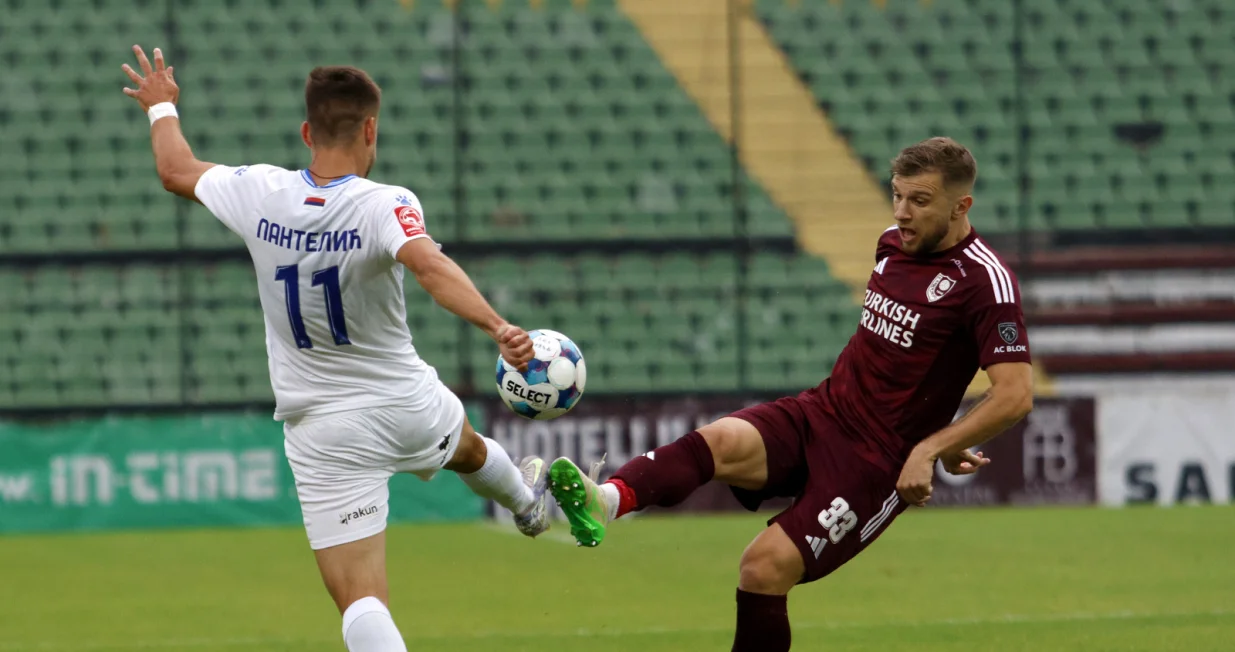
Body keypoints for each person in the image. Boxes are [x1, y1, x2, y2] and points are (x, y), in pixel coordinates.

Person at [121, 46, 549, 652]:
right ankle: (527, 505)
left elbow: (175, 169)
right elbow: (429, 265)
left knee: (362, 598)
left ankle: (524, 502)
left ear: (305, 132)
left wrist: (160, 103)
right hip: (406, 402)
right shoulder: (385, 203)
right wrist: (496, 326)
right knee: (468, 446)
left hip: (323, 428)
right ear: (370, 129)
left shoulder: (259, 192)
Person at [547, 137, 1036, 651]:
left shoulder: (985, 282)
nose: (902, 212)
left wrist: (930, 448)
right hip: (822, 411)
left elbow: (1015, 394)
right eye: (897, 196)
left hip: (874, 463)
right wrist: (947, 437)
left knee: (762, 568)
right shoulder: (892, 243)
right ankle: (606, 502)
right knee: (718, 442)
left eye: (919, 201)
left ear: (962, 206)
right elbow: (913, 365)